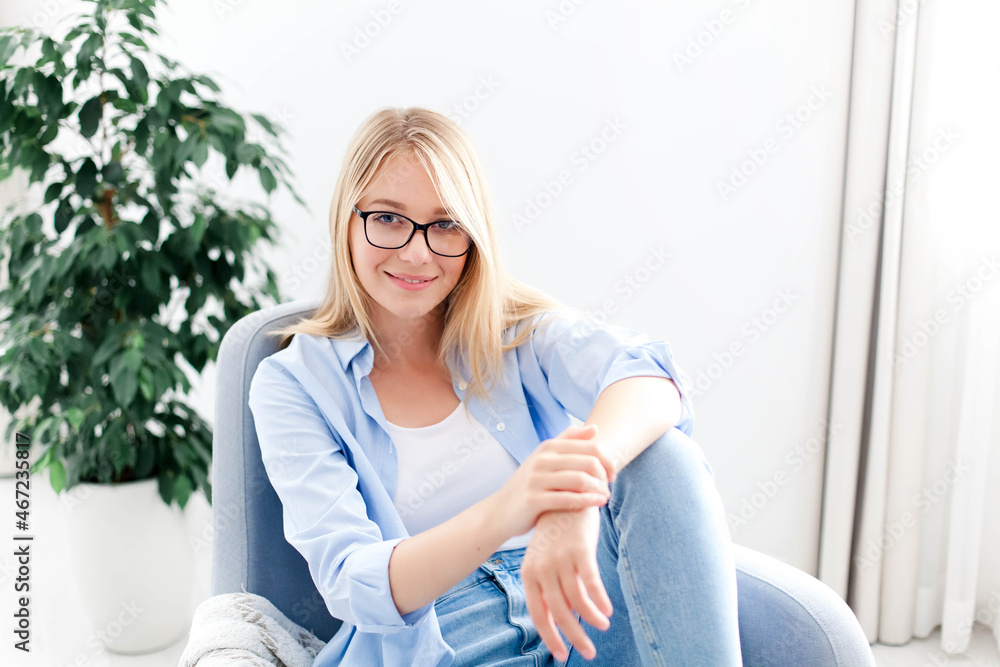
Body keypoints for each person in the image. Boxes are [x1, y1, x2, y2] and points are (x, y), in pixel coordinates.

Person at [247, 106, 743, 666]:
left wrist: (571, 495)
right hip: (444, 636)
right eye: (387, 218)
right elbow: (351, 580)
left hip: (574, 613)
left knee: (663, 457)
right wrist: (512, 507)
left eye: (446, 225)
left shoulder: (517, 336)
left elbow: (650, 375)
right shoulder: (294, 382)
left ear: (472, 237)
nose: (417, 252)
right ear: (347, 219)